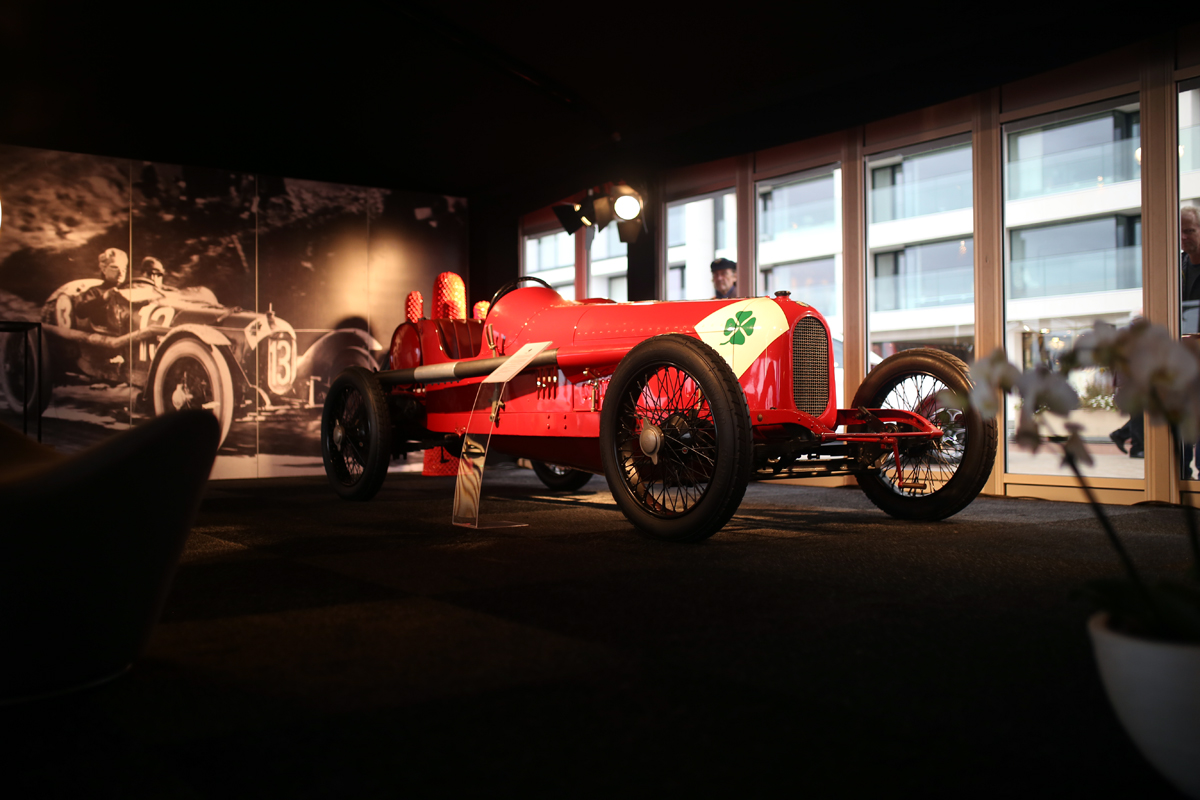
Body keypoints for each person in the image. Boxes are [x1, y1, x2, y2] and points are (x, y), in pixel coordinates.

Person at [75, 247, 128, 330]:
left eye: (124, 269)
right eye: (115, 267)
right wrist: (104, 298)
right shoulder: (95, 291)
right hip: (106, 334)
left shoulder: (129, 290)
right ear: (104, 269)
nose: (121, 272)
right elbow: (80, 312)